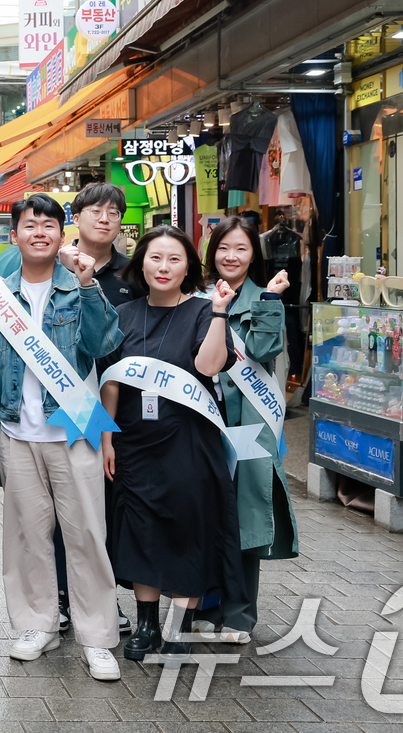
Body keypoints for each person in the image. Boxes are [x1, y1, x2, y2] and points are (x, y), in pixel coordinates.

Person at [0, 194, 123, 679]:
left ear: (63, 234)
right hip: (17, 433)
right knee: (27, 537)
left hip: (76, 429)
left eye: (49, 225)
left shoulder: (80, 288)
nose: (39, 232)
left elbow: (103, 345)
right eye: (29, 225)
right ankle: (38, 625)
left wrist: (89, 286)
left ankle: (97, 637)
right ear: (13, 236)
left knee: (87, 537)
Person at [98, 225, 240, 663]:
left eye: (174, 259)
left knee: (188, 532)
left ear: (188, 267)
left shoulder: (201, 311)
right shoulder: (123, 314)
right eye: (156, 257)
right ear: (141, 262)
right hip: (134, 443)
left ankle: (179, 626)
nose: (164, 267)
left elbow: (209, 365)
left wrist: (219, 312)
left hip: (189, 443)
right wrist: (106, 437)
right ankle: (145, 625)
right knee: (140, 530)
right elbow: (110, 382)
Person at [195, 215, 297, 643]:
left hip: (251, 423)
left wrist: (270, 301)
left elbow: (262, 349)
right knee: (204, 515)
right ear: (211, 252)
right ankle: (206, 605)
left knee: (247, 518)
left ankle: (239, 614)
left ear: (254, 253)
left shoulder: (264, 298)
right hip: (203, 420)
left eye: (240, 248)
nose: (231, 256)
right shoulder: (196, 297)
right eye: (223, 248)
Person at [65, 182, 144, 636]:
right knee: (65, 503)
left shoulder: (134, 274)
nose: (105, 218)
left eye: (114, 212)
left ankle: (104, 596)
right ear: (76, 217)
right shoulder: (52, 265)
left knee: (109, 505)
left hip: (123, 402)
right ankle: (62, 594)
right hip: (69, 404)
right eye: (95, 210)